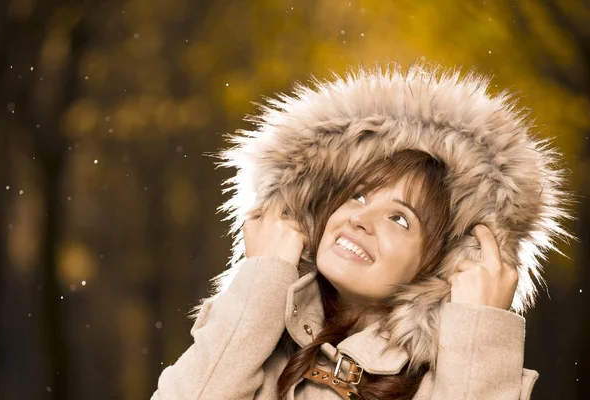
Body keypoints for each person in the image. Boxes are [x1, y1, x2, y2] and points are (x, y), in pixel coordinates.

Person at [151, 64, 570, 399]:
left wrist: (480, 334)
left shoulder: (451, 380)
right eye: (357, 195)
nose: (360, 219)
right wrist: (261, 278)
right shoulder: (253, 343)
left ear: (442, 263)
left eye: (400, 218)